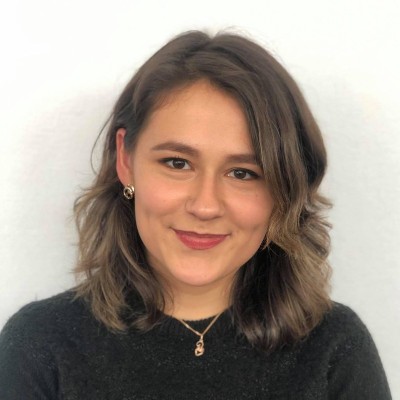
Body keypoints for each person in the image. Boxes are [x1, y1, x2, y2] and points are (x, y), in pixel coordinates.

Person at [0, 30, 392, 399]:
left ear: (284, 191)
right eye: (177, 163)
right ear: (126, 160)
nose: (205, 206)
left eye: (243, 173)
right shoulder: (40, 347)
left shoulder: (336, 349)